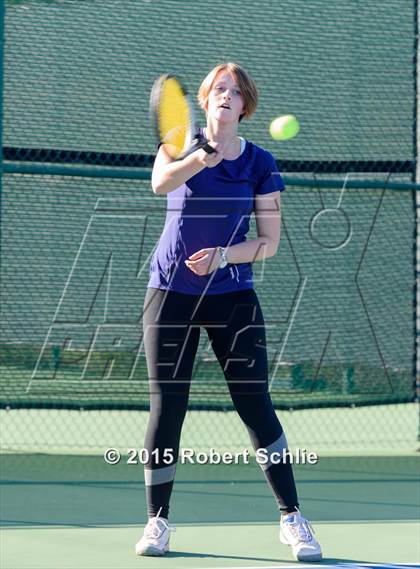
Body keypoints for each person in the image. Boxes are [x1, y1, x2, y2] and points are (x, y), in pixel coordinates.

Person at [135, 62, 322, 562]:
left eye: (235, 92)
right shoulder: (180, 140)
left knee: (254, 402)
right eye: (219, 88)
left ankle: (292, 519)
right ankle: (157, 522)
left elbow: (269, 242)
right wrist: (202, 156)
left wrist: (223, 256)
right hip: (170, 291)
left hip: (232, 295)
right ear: (205, 98)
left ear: (245, 106)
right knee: (167, 407)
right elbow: (159, 184)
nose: (226, 95)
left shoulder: (261, 163)